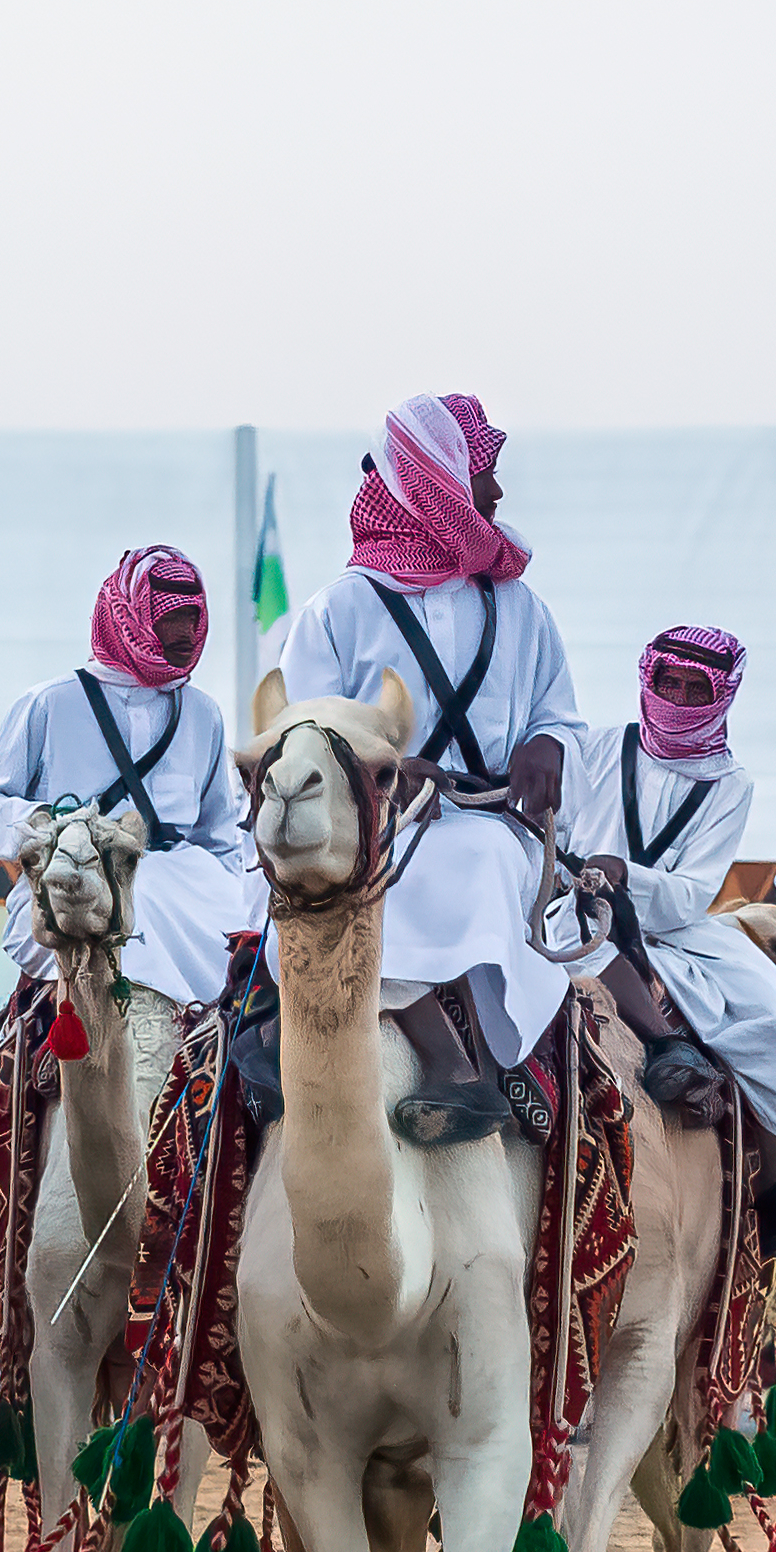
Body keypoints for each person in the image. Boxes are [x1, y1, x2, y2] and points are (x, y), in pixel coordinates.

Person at [271, 393, 579, 1143]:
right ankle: (452, 1062)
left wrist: (548, 743)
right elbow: (300, 734)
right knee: (385, 878)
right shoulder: (340, 608)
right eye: (482, 474)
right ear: (437, 483)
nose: (496, 492)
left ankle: (505, 1057)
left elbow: (559, 714)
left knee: (478, 855)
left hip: (491, 823)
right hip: (368, 833)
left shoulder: (519, 606)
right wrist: (379, 769)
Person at [559, 625, 776, 1254]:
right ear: (649, 681)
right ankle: (664, 1045)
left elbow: (692, 892)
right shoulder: (593, 748)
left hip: (677, 927)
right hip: (575, 906)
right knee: (574, 947)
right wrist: (581, 877)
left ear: (723, 696)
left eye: (697, 689)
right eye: (670, 684)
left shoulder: (731, 783)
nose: (680, 699)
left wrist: (628, 874)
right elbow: (552, 830)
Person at [0, 543, 263, 1012]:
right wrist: (48, 828)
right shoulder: (51, 703)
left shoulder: (203, 713)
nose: (187, 633)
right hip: (74, 880)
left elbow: (219, 837)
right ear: (130, 616)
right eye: (172, 617)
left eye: (194, 617)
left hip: (189, 893)